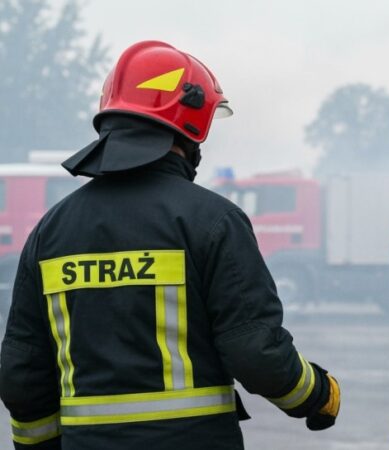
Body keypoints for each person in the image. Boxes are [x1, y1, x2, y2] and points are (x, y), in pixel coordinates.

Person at [0, 41, 340, 450]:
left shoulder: (49, 232)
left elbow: (22, 373)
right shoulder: (214, 221)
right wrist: (318, 395)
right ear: (190, 122)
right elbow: (255, 352)